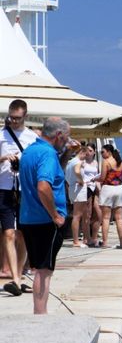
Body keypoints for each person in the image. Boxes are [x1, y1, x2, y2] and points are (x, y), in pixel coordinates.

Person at [19, 117, 78, 314]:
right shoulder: (47, 154)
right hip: (45, 221)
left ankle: (39, 313)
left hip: (28, 218)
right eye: (66, 137)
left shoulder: (29, 151)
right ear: (59, 135)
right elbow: (43, 186)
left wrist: (68, 153)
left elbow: (52, 175)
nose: (67, 141)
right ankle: (40, 315)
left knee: (39, 269)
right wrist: (56, 215)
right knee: (44, 272)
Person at [0, 99, 35, 296]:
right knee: (8, 233)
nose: (13, 121)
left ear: (25, 117)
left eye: (17, 118)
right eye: (11, 118)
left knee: (22, 234)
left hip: (24, 189)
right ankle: (14, 278)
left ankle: (19, 275)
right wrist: (4, 158)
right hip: (4, 187)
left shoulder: (31, 137)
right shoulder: (1, 136)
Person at [98, 144, 122, 249]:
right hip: (119, 189)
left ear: (109, 152)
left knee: (106, 218)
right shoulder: (121, 162)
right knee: (119, 218)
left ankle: (105, 242)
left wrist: (94, 180)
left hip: (108, 188)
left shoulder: (106, 162)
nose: (101, 154)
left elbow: (102, 178)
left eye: (103, 152)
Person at [71, 144, 100, 247]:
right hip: (85, 187)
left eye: (91, 150)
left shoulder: (96, 163)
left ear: (94, 152)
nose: (88, 152)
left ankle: (89, 237)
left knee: (93, 213)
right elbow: (77, 172)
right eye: (87, 150)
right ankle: (86, 238)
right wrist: (81, 181)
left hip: (93, 188)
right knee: (85, 214)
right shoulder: (82, 162)